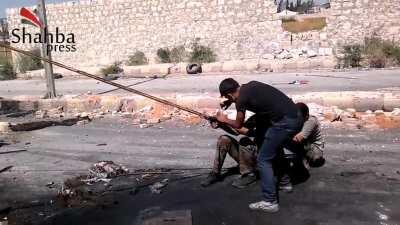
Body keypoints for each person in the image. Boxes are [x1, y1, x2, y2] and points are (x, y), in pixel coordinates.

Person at [214, 78, 303, 213]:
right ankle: (285, 183)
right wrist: (232, 101)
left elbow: (238, 125)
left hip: (285, 122)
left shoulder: (241, 99)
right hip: (295, 117)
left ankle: (270, 201)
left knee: (263, 159)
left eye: (228, 98)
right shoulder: (250, 87)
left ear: (228, 95)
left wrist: (224, 119)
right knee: (273, 148)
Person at [201, 115, 270, 189]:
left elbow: (245, 131)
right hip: (251, 155)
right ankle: (215, 173)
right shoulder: (256, 117)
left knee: (245, 141)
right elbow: (236, 131)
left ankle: (249, 174)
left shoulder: (272, 119)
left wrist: (225, 121)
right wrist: (221, 124)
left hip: (263, 159)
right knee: (224, 139)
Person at [292, 102, 325, 168]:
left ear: (306, 116)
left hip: (315, 151)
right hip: (307, 146)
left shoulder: (310, 121)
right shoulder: (301, 119)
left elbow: (298, 138)